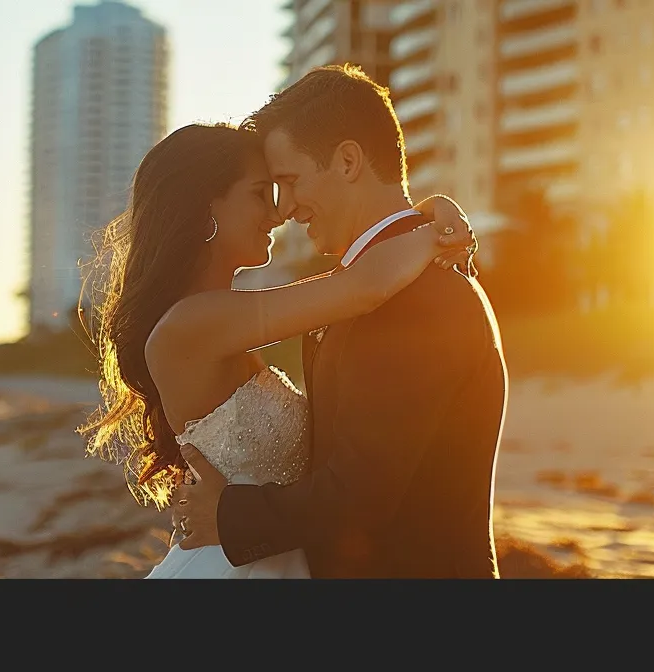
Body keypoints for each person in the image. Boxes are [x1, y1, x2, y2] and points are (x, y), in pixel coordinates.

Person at [79, 120, 477, 579]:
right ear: (207, 204)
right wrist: (434, 232)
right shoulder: (190, 324)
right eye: (260, 195)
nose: (278, 215)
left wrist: (428, 210)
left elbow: (349, 287)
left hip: (269, 556)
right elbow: (363, 287)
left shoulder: (223, 318)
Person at [169, 64, 509, 579]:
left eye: (290, 181)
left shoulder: (415, 297)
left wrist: (230, 515)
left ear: (348, 161)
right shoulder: (367, 286)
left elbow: (362, 491)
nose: (285, 210)